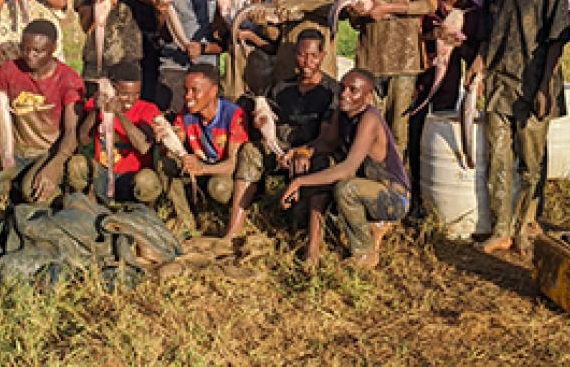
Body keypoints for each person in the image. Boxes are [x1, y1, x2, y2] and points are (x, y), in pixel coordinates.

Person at [466, 0, 570, 256]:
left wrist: (544, 87)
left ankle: (525, 226)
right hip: (500, 84)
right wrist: (479, 64)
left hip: (534, 85)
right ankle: (501, 229)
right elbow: (488, 36)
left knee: (531, 164)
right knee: (498, 159)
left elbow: (557, 41)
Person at [223, 29, 338, 261]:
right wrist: (261, 120)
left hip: (313, 152)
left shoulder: (331, 91)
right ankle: (233, 232)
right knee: (250, 152)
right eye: (301, 55)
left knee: (321, 165)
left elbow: (328, 137)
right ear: (294, 55)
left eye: (313, 56)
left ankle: (313, 248)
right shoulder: (281, 89)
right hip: (281, 151)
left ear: (322, 56)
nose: (307, 62)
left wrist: (304, 151)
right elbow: (267, 124)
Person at [280, 68, 410, 269]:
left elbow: (347, 169)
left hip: (393, 197)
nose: (344, 94)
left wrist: (299, 181)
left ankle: (365, 253)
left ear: (367, 98)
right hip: (366, 187)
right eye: (342, 87)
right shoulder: (341, 112)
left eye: (353, 90)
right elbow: (327, 143)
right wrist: (301, 151)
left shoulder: (370, 118)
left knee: (345, 189)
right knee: (326, 171)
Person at [345, 0, 437, 160]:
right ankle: (374, 187)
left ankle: (399, 191)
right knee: (369, 129)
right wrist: (361, 12)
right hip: (369, 61)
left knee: (398, 132)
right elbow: (352, 20)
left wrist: (389, 8)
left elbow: (429, 3)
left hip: (403, 60)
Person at [0, 20, 84, 206]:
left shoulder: (68, 79)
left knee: (33, 192)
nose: (30, 56)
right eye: (25, 49)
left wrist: (55, 165)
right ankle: (17, 190)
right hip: (17, 151)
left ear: (54, 48)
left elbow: (72, 132)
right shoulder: (10, 70)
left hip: (48, 152)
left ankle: (51, 190)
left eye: (38, 51)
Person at [407, 0, 480, 216]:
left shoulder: (472, 12)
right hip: (419, 79)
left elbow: (474, 54)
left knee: (438, 135)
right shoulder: (429, 3)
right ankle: (414, 194)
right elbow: (412, 36)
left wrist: (460, 45)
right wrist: (434, 35)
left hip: (448, 83)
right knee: (414, 135)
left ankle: (433, 195)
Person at [153, 63, 249, 236]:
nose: (187, 96)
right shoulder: (186, 114)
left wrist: (202, 169)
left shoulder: (233, 115)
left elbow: (234, 164)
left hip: (223, 176)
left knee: (218, 187)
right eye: (185, 90)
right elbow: (174, 149)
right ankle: (186, 220)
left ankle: (220, 217)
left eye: (194, 90)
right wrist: (164, 141)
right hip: (200, 171)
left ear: (213, 91)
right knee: (165, 164)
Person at [75, 0, 159, 99]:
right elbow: (85, 24)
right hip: (98, 61)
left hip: (129, 60)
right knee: (95, 104)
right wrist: (101, 5)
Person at [70, 61, 162, 205]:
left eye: (136, 94)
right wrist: (95, 110)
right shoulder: (97, 106)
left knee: (147, 181)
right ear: (112, 89)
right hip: (102, 174)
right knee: (77, 164)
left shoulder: (148, 109)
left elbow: (143, 147)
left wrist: (119, 114)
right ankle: (83, 201)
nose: (131, 100)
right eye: (124, 94)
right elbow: (83, 140)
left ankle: (141, 210)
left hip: (132, 179)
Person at [154, 0, 226, 114]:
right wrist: (162, 16)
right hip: (175, 67)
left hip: (205, 67)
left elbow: (223, 41)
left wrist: (201, 49)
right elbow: (163, 35)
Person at [224, 0, 279, 99]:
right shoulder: (239, 4)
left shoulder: (274, 8)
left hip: (261, 73)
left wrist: (250, 36)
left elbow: (275, 48)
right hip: (236, 73)